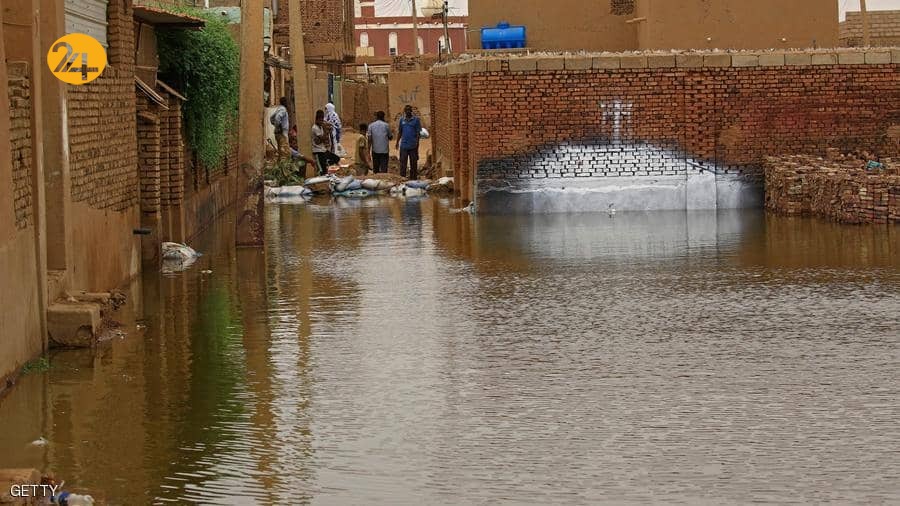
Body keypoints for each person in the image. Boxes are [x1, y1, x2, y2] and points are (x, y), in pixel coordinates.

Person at [397, 105, 422, 180]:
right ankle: (402, 178)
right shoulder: (402, 120)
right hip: (404, 145)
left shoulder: (416, 120)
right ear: (404, 111)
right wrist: (397, 142)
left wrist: (417, 143)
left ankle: (413, 178)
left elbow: (418, 133)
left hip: (413, 145)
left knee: (413, 163)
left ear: (411, 111)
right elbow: (400, 132)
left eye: (409, 110)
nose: (408, 111)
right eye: (406, 110)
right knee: (403, 163)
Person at [312, 109, 340, 175]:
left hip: (323, 149)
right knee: (323, 171)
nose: (322, 122)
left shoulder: (320, 127)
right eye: (321, 120)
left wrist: (327, 132)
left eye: (322, 120)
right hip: (318, 151)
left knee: (336, 158)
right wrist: (326, 131)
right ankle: (324, 166)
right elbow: (323, 138)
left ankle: (326, 164)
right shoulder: (315, 128)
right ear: (317, 119)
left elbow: (323, 139)